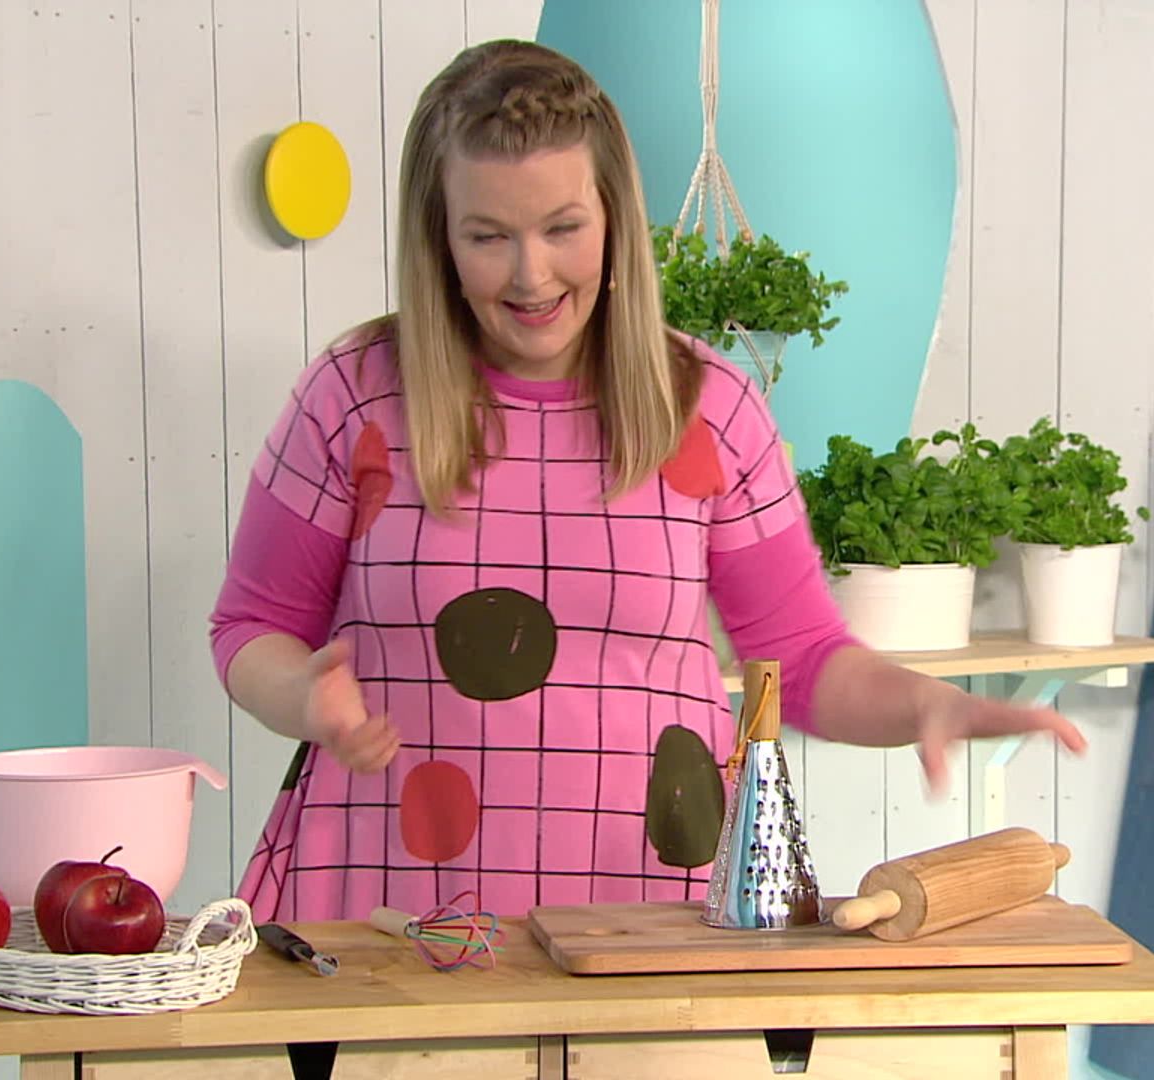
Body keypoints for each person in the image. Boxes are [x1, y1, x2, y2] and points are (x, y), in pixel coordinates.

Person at [209, 39, 1084, 923]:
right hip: (386, 908)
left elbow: (801, 660)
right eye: (488, 237)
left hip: (647, 912)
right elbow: (250, 628)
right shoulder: (353, 394)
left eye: (562, 228)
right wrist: (302, 696)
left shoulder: (711, 407)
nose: (531, 274)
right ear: (439, 238)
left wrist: (923, 704)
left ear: (614, 217)